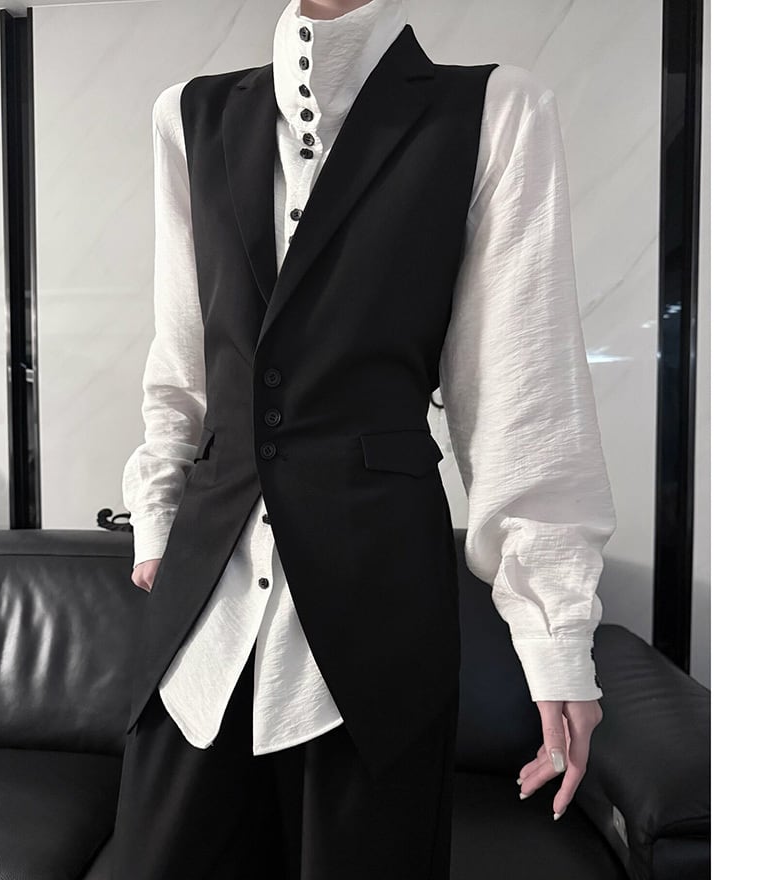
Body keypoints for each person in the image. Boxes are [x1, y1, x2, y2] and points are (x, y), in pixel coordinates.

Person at [113, 0, 618, 877]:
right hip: (200, 624)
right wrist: (157, 519)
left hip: (379, 624)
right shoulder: (186, 115)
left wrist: (556, 641)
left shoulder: (493, 111)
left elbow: (522, 397)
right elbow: (183, 362)